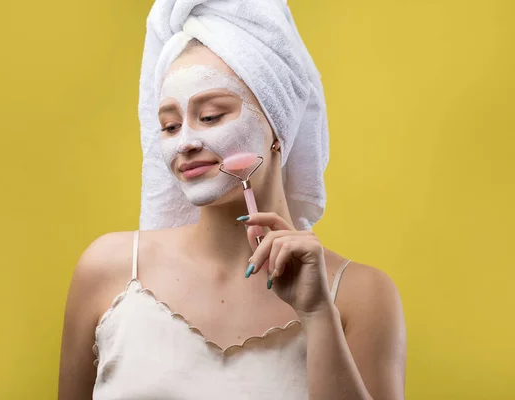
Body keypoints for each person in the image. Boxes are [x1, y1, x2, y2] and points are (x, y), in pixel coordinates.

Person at [59, 1, 406, 399]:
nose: (186, 142)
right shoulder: (107, 271)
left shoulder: (361, 295)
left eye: (210, 116)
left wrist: (317, 315)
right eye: (170, 126)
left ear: (278, 126)